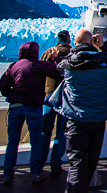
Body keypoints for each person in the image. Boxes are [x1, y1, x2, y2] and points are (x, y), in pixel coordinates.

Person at [47, 29, 107, 193]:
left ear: (75, 43)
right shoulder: (104, 60)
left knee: (77, 162)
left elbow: (59, 68)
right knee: (90, 162)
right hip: (97, 119)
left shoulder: (68, 63)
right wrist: (103, 46)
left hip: (76, 120)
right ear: (92, 42)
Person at [0, 41, 61, 184]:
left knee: (13, 141)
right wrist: (54, 58)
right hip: (33, 107)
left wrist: (9, 95)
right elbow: (58, 72)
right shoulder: (39, 64)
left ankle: (8, 174)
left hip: (15, 106)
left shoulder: (14, 66)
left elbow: (3, 84)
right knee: (36, 140)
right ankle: (36, 172)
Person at [40, 30, 72, 177]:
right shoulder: (73, 53)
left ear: (58, 39)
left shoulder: (48, 52)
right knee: (61, 131)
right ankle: (56, 163)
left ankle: (39, 163)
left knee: (45, 130)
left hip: (49, 96)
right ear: (69, 40)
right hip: (66, 98)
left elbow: (39, 71)